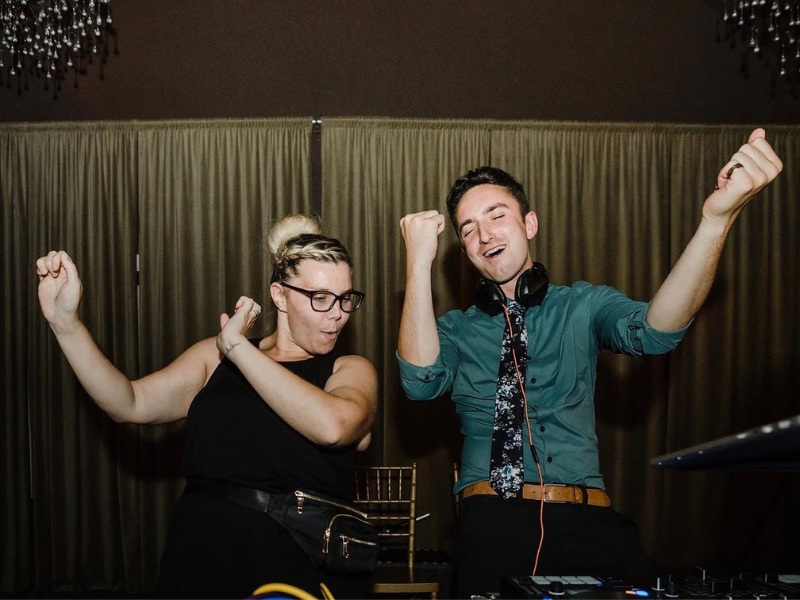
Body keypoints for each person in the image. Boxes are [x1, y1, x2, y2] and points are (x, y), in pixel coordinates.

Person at [396, 129, 782, 596]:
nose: (483, 234)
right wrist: (417, 264)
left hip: (587, 518)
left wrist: (715, 222)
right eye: (468, 228)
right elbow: (420, 383)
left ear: (529, 224)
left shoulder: (582, 304)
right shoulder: (454, 329)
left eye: (497, 216)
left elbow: (657, 333)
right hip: (491, 520)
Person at [36, 214, 378, 599]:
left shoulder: (349, 369)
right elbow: (129, 403)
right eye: (320, 298)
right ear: (279, 295)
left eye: (346, 298)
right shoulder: (212, 359)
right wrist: (66, 324)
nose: (337, 313)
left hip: (294, 559)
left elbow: (334, 426)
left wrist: (237, 349)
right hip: (202, 550)